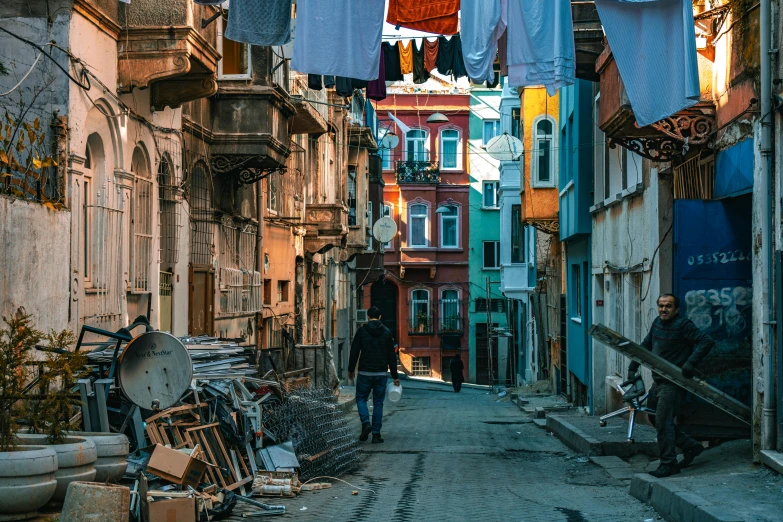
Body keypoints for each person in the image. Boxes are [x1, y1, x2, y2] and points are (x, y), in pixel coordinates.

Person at [628, 293, 714, 478]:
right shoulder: (657, 323)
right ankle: (691, 446)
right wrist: (633, 366)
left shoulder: (683, 325)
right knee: (653, 417)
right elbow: (646, 345)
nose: (663, 310)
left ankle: (669, 464)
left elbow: (706, 341)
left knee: (663, 422)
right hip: (658, 381)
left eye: (668, 306)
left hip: (673, 383)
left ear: (676, 309)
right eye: (661, 305)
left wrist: (690, 363)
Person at [348, 306, 400, 444]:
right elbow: (391, 356)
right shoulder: (387, 332)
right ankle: (376, 435)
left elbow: (354, 351)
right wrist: (395, 376)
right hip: (381, 373)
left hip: (365, 372)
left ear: (368, 317)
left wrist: (350, 370)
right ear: (380, 317)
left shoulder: (362, 331)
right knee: (378, 403)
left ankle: (365, 423)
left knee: (360, 399)